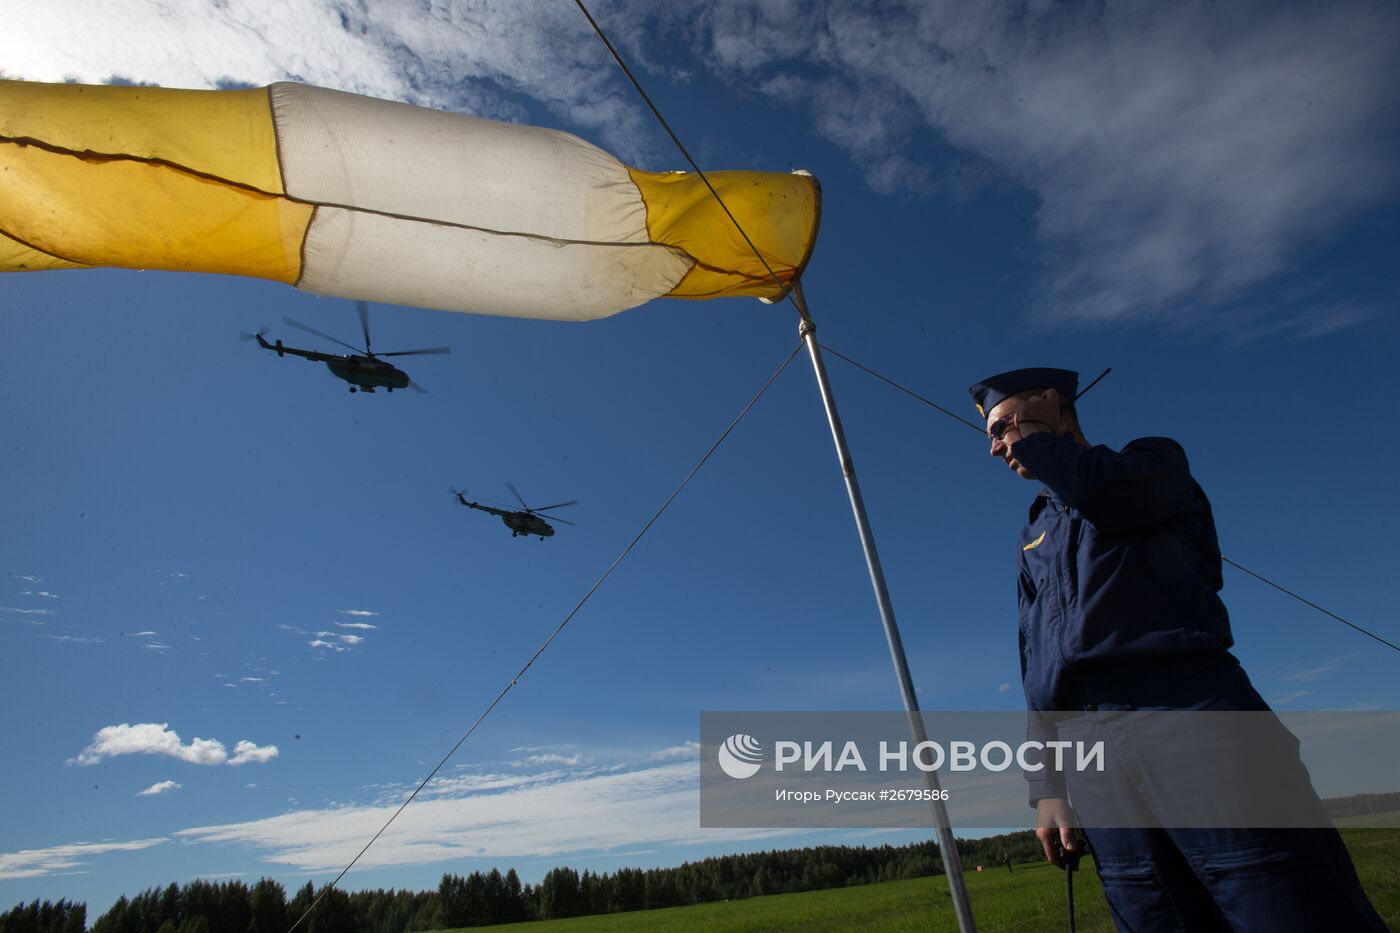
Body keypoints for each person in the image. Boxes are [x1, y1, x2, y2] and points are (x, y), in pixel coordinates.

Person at [969, 367, 1387, 932]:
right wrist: (1046, 785)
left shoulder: (1150, 464)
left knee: (1280, 895)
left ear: (1057, 410)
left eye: (1005, 426)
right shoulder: (1033, 534)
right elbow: (1036, 662)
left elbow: (1098, 492)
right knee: (1152, 910)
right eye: (991, 434)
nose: (996, 448)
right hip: (1089, 747)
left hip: (1190, 716)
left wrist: (1039, 439)